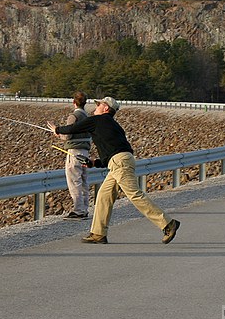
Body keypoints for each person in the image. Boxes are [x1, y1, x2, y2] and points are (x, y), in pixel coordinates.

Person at [47, 96, 180, 244]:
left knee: (135, 195)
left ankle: (168, 224)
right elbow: (111, 152)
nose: (95, 107)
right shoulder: (113, 126)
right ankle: (98, 233)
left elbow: (73, 128)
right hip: (120, 161)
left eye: (99, 105)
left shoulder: (98, 120)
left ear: (106, 108)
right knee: (104, 196)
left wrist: (57, 129)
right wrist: (94, 162)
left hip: (119, 163)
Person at [58, 91, 93, 220]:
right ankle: (84, 209)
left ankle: (78, 210)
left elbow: (67, 135)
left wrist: (58, 134)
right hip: (85, 152)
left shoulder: (74, 116)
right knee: (84, 180)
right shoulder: (88, 117)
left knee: (74, 181)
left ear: (74, 102)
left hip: (74, 152)